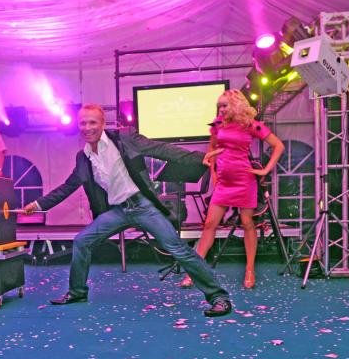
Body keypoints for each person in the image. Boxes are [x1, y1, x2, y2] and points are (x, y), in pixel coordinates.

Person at [22, 104, 232, 317]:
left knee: (177, 248)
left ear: (103, 124)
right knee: (82, 241)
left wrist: (196, 158)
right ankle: (77, 292)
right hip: (119, 211)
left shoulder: (125, 138)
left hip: (143, 206)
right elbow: (66, 187)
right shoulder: (83, 157)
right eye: (83, 123)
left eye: (93, 122)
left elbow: (159, 149)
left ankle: (218, 297)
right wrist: (37, 205)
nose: (87, 127)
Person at [179, 89, 285, 289]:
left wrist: (265, 170)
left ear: (235, 105)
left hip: (245, 181)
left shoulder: (251, 124)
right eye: (218, 106)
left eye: (224, 105)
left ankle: (250, 270)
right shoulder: (218, 125)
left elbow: (278, 146)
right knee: (209, 224)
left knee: (247, 224)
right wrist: (213, 172)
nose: (220, 109)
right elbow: (211, 148)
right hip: (224, 183)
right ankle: (194, 272)